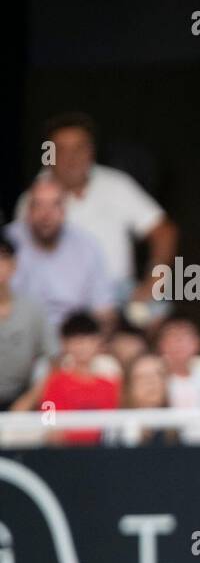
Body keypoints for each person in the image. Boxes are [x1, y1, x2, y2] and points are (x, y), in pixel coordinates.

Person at [16, 113, 178, 314]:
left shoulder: (116, 185)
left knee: (159, 312)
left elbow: (163, 231)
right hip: (58, 298)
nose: (71, 158)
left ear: (91, 151)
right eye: (61, 149)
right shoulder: (34, 198)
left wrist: (155, 281)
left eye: (79, 148)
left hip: (117, 290)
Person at [6, 177, 115, 336]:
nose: (46, 215)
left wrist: (90, 344)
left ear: (64, 210)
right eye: (38, 205)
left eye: (55, 205)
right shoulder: (6, 243)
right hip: (17, 337)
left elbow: (104, 311)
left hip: (73, 336)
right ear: (28, 210)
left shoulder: (87, 246)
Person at [12, 311, 118, 445]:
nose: (82, 346)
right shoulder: (55, 382)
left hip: (104, 450)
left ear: (98, 342)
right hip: (65, 451)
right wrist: (49, 429)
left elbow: (114, 423)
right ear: (65, 344)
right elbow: (47, 416)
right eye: (76, 341)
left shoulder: (110, 385)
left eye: (87, 339)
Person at [0, 233, 51, 411]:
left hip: (23, 400)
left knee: (49, 407)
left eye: (3, 258)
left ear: (13, 265)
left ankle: (51, 437)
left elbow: (53, 359)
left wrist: (29, 400)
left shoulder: (32, 308)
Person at [156, 314, 200, 409]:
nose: (179, 343)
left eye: (185, 337)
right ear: (161, 345)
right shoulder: (153, 379)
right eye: (172, 337)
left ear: (199, 344)